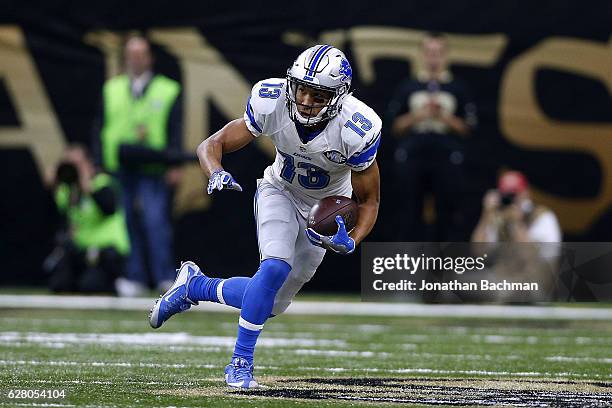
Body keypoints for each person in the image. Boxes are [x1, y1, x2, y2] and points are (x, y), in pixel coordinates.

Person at [148, 45, 381, 388]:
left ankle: (194, 286)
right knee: (274, 267)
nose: (304, 100)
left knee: (270, 304)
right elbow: (211, 145)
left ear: (338, 95)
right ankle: (240, 363)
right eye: (301, 88)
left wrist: (352, 239)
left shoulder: (357, 127)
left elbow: (370, 201)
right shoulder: (271, 101)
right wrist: (214, 171)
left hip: (324, 212)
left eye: (316, 94)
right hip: (281, 191)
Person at [91, 35, 184, 296]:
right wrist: (98, 162)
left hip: (154, 166)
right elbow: (99, 127)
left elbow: (175, 128)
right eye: (131, 54)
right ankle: (135, 277)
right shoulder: (112, 89)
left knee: (156, 222)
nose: (135, 59)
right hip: (119, 166)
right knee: (125, 225)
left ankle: (164, 276)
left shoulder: (167, 90)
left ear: (150, 57)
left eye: (140, 54)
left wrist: (174, 163)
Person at [387, 31, 477, 241]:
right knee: (409, 211)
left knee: (447, 212)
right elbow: (394, 126)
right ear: (422, 55)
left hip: (446, 155)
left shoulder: (458, 88)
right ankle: (408, 263)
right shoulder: (408, 87)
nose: (433, 57)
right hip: (414, 154)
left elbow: (469, 128)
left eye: (438, 52)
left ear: (446, 55)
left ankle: (443, 266)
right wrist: (418, 115)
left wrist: (444, 116)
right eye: (429, 52)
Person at [45, 145, 129, 293]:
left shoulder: (103, 183)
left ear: (88, 163)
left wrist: (87, 186)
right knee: (59, 285)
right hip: (80, 251)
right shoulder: (68, 190)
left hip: (106, 251)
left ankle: (119, 284)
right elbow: (62, 215)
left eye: (77, 164)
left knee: (90, 286)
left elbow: (109, 208)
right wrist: (55, 183)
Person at [471, 171, 562, 300]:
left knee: (510, 292)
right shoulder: (499, 217)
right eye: (506, 194)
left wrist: (516, 223)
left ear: (526, 193)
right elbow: (479, 252)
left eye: (514, 194)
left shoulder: (543, 217)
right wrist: (486, 214)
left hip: (534, 282)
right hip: (502, 279)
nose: (511, 198)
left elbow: (533, 257)